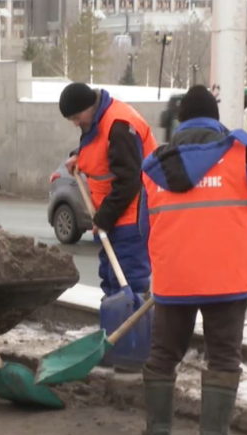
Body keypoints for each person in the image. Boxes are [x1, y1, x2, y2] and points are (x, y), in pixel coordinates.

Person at [137, 85, 247, 435]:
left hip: (174, 280)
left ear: (180, 122)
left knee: (163, 353)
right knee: (224, 356)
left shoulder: (155, 166)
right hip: (227, 279)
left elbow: (145, 229)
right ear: (215, 118)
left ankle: (158, 432)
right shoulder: (239, 155)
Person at [59, 83, 154, 303]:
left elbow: (129, 181)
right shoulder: (97, 120)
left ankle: (132, 332)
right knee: (111, 280)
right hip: (112, 217)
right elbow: (100, 151)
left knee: (129, 282)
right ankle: (115, 332)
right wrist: (78, 156)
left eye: (76, 117)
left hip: (131, 218)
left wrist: (104, 218)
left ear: (89, 106)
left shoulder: (119, 125)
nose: (76, 123)